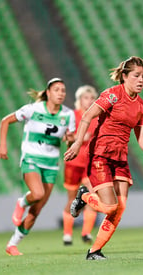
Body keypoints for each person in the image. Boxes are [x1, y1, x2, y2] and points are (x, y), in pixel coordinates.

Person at [64, 56, 143, 260]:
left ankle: (94, 251)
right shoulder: (112, 95)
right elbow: (87, 116)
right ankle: (84, 196)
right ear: (125, 76)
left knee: (120, 208)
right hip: (100, 155)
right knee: (109, 206)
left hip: (120, 159)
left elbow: (142, 138)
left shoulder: (141, 107)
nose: (141, 80)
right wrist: (76, 143)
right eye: (136, 75)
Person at [0, 78, 75, 256]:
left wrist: (70, 141)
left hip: (52, 164)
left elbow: (69, 140)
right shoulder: (33, 109)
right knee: (37, 193)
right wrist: (3, 145)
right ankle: (21, 202)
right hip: (31, 158)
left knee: (37, 210)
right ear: (48, 92)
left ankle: (12, 244)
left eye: (63, 90)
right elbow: (5, 121)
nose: (61, 93)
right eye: (57, 90)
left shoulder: (68, 115)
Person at [62, 85, 98, 246]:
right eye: (85, 97)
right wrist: (80, 137)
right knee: (72, 199)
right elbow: (66, 138)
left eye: (91, 98)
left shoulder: (97, 119)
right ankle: (67, 234)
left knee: (92, 196)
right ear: (79, 100)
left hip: (90, 164)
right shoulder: (73, 116)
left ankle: (86, 233)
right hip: (73, 162)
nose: (89, 101)